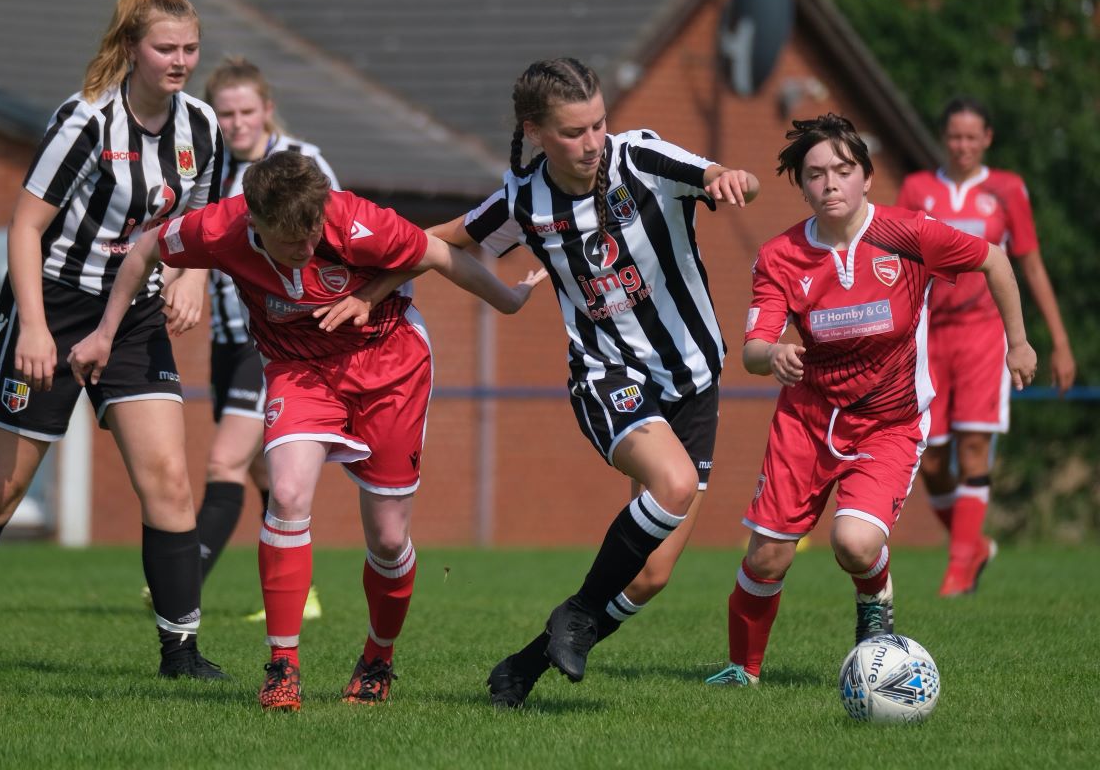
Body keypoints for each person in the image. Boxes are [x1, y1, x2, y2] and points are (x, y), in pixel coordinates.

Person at [336, 57, 758, 707]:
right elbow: (439, 241)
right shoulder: (524, 201)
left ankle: (525, 667)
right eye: (572, 132)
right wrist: (371, 291)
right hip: (606, 373)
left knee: (650, 577)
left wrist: (733, 180)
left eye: (597, 125)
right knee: (671, 485)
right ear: (534, 131)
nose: (591, 143)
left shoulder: (638, 158)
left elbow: (709, 173)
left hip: (695, 379)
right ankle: (580, 617)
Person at [68, 150, 545, 711]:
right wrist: (104, 332)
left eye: (313, 233)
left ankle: (378, 658)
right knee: (288, 495)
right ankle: (282, 666)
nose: (306, 248)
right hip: (298, 371)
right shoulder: (223, 227)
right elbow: (147, 246)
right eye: (290, 240)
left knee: (389, 539)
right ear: (256, 222)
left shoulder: (354, 220)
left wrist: (510, 301)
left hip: (389, 363)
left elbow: (439, 252)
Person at [0, 0, 228, 679]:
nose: (179, 61)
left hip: (133, 315)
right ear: (132, 50)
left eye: (190, 49)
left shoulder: (200, 128)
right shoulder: (85, 123)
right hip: (51, 303)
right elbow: (24, 226)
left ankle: (182, 653)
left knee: (169, 479)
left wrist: (193, 275)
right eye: (165, 48)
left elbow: (204, 224)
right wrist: (35, 329)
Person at [704, 114, 1036, 687]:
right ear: (801, 186)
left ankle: (875, 596)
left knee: (854, 544)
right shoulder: (779, 256)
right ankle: (743, 671)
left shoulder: (910, 233)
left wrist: (1020, 343)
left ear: (865, 177)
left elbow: (994, 259)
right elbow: (754, 348)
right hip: (806, 422)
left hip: (889, 422)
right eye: (815, 175)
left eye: (842, 170)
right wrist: (773, 355)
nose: (830, 183)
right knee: (766, 559)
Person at [896, 97, 1075, 597]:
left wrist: (1057, 341)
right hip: (931, 336)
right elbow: (901, 261)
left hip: (984, 335)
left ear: (987, 139)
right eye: (955, 136)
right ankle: (971, 544)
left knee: (975, 445)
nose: (962, 145)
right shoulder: (917, 189)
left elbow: (1031, 266)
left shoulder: (1007, 189)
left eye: (972, 137)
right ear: (943, 137)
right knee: (929, 458)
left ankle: (957, 573)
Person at [187, 57, 335, 622]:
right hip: (226, 341)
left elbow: (335, 235)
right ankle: (304, 592)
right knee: (259, 473)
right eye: (225, 113)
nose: (236, 123)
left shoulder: (302, 164)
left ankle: (181, 578)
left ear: (267, 110)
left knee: (225, 462)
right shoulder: (210, 169)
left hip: (273, 341)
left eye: (247, 111)